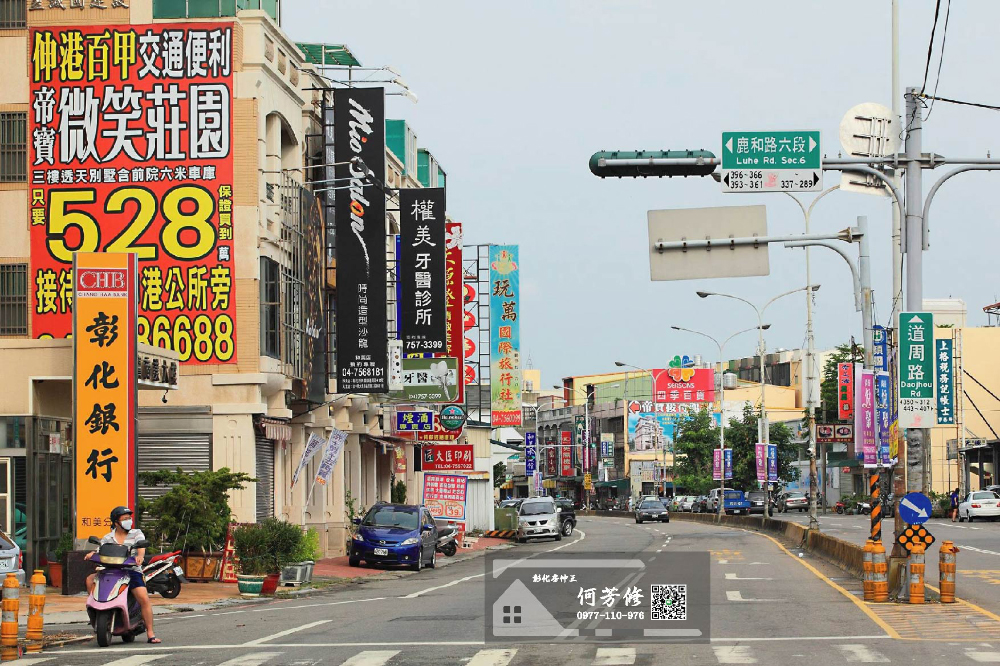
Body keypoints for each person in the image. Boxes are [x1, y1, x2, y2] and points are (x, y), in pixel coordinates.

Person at [85, 506, 160, 644]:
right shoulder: (108, 538)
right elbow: (100, 550)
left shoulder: (136, 533)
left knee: (143, 597)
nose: (129, 521)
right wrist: (92, 554)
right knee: (90, 580)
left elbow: (141, 547)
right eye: (125, 519)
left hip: (131, 571)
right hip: (110, 570)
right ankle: (96, 611)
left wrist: (140, 556)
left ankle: (150, 633)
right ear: (116, 522)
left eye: (129, 518)